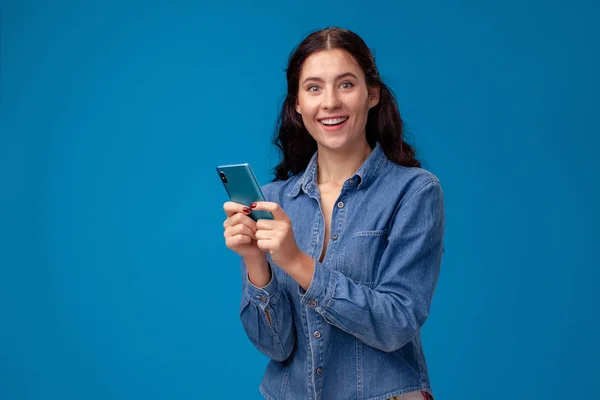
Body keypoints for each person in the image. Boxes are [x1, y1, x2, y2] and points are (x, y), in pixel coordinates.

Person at [222, 27, 444, 400]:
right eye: (313, 88)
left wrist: (294, 260)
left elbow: (396, 324)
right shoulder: (275, 200)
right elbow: (276, 348)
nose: (330, 103)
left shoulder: (415, 192)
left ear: (372, 93)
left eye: (345, 85)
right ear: (297, 103)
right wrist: (255, 264)